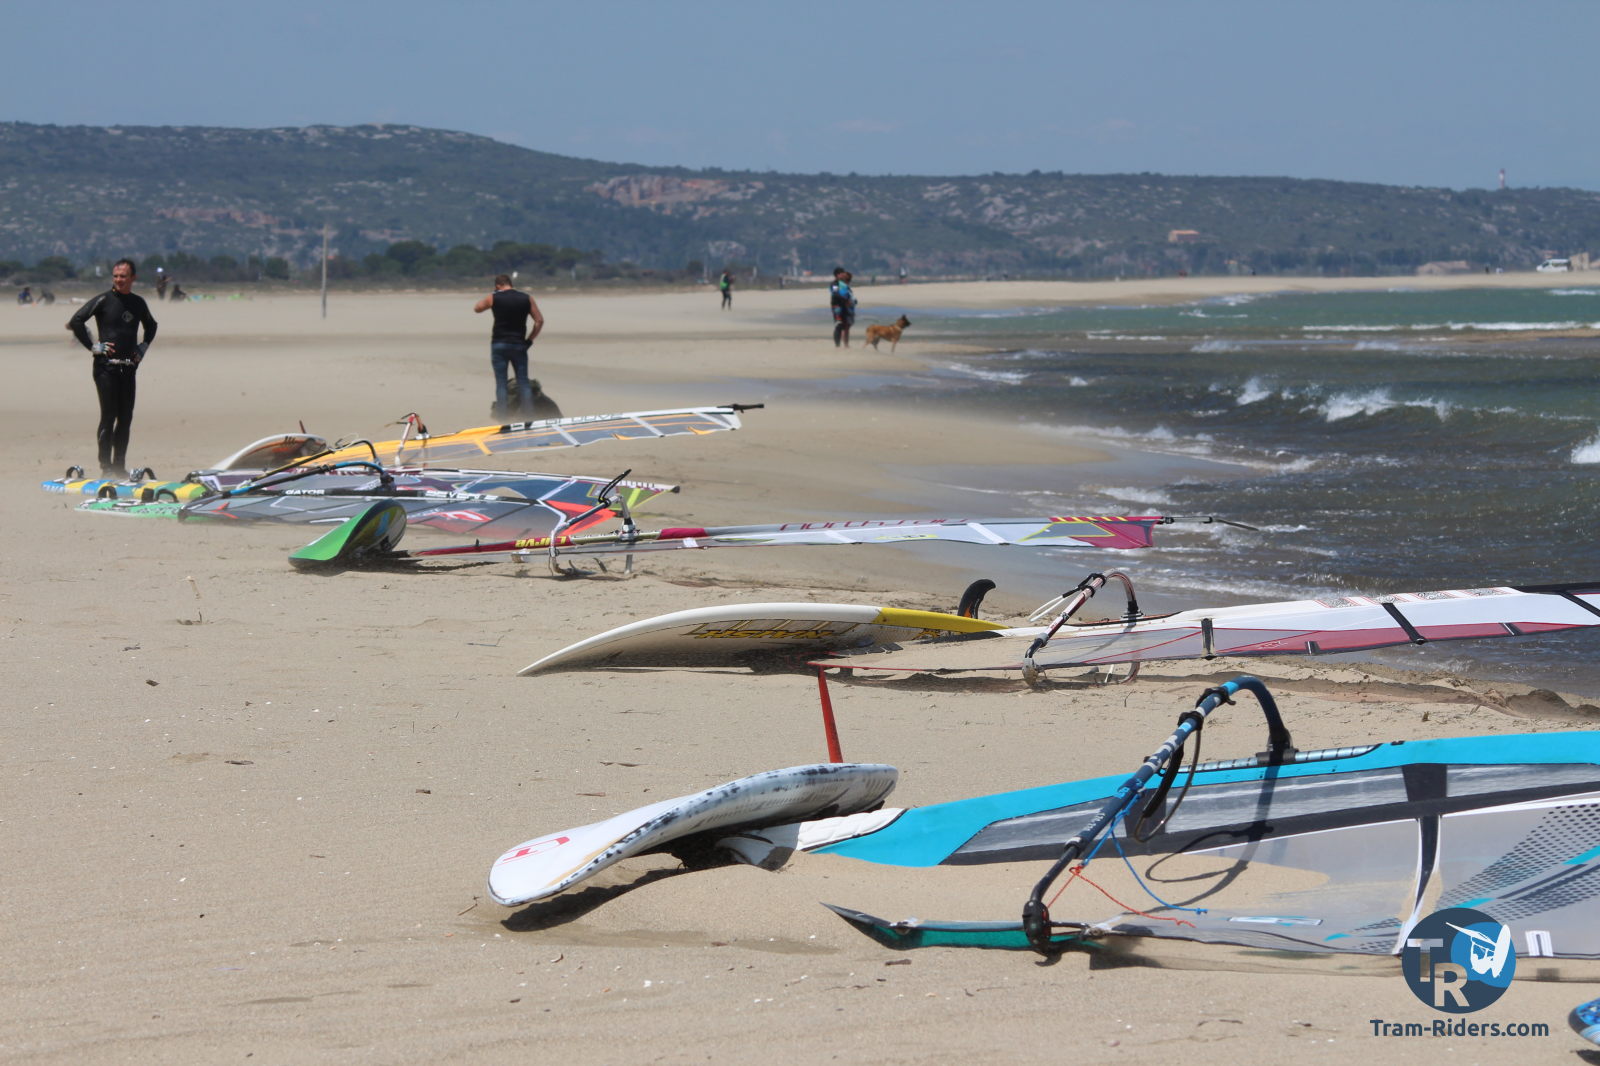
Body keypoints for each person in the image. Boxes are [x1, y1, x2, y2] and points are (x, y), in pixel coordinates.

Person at [66, 258, 158, 476]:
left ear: (133, 278)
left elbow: (152, 325)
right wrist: (93, 346)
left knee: (125, 418)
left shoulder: (138, 303)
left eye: (123, 276)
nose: (119, 280)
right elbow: (77, 320)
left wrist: (143, 347)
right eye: (116, 276)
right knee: (109, 416)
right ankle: (106, 467)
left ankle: (119, 466)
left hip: (128, 368)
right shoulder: (104, 300)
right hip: (105, 368)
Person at [473, 273, 545, 419]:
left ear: (498, 285)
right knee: (523, 381)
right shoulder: (526, 298)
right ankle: (528, 416)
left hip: (499, 344)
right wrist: (530, 340)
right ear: (510, 283)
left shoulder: (494, 297)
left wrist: (494, 295)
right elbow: (539, 321)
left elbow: (477, 308)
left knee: (501, 383)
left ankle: (502, 417)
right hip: (519, 344)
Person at [829, 267, 857, 347]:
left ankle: (845, 345)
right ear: (837, 275)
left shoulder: (843, 284)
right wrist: (846, 300)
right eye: (842, 273)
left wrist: (853, 301)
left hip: (845, 307)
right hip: (837, 307)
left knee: (845, 325)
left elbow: (848, 294)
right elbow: (835, 294)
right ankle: (837, 345)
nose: (844, 274)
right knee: (839, 325)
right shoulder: (834, 284)